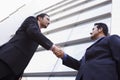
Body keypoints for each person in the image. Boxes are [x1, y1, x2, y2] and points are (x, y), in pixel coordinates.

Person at [0, 13, 60, 80]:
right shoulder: (31, 20)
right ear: (39, 18)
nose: (49, 22)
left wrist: (20, 72)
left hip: (15, 72)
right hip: (7, 59)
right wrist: (53, 47)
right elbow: (32, 32)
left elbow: (27, 56)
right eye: (47, 19)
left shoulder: (38, 37)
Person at [53, 23, 120, 80]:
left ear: (100, 29)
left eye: (93, 29)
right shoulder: (88, 51)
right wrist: (63, 56)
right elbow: (79, 65)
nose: (91, 32)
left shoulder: (112, 38)